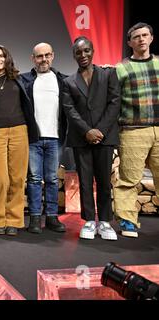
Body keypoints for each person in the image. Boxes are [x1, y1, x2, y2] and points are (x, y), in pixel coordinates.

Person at [63, 36, 120, 240]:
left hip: (104, 137)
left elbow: (114, 103)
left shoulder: (108, 74)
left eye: (86, 50)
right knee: (85, 181)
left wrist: (100, 130)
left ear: (92, 51)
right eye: (79, 52)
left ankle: (104, 221)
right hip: (81, 138)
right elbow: (70, 110)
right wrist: (87, 131)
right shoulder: (68, 81)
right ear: (74, 55)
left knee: (104, 181)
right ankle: (88, 221)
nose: (83, 55)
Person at [0, 45, 37, 236]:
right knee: (0, 179)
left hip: (20, 131)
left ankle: (14, 220)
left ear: (7, 58)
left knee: (18, 178)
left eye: (1, 56)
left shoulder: (20, 79)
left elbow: (45, 74)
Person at [114, 22, 159, 238]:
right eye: (136, 36)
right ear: (130, 42)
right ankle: (128, 221)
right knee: (128, 179)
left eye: (145, 35)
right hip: (133, 130)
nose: (141, 39)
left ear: (151, 38)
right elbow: (114, 100)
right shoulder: (121, 68)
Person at [20, 43, 67, 234]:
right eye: (40, 56)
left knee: (52, 180)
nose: (44, 59)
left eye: (47, 55)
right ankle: (34, 218)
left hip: (55, 138)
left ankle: (52, 218)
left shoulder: (62, 80)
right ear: (33, 58)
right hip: (33, 138)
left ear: (53, 56)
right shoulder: (24, 80)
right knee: (34, 179)